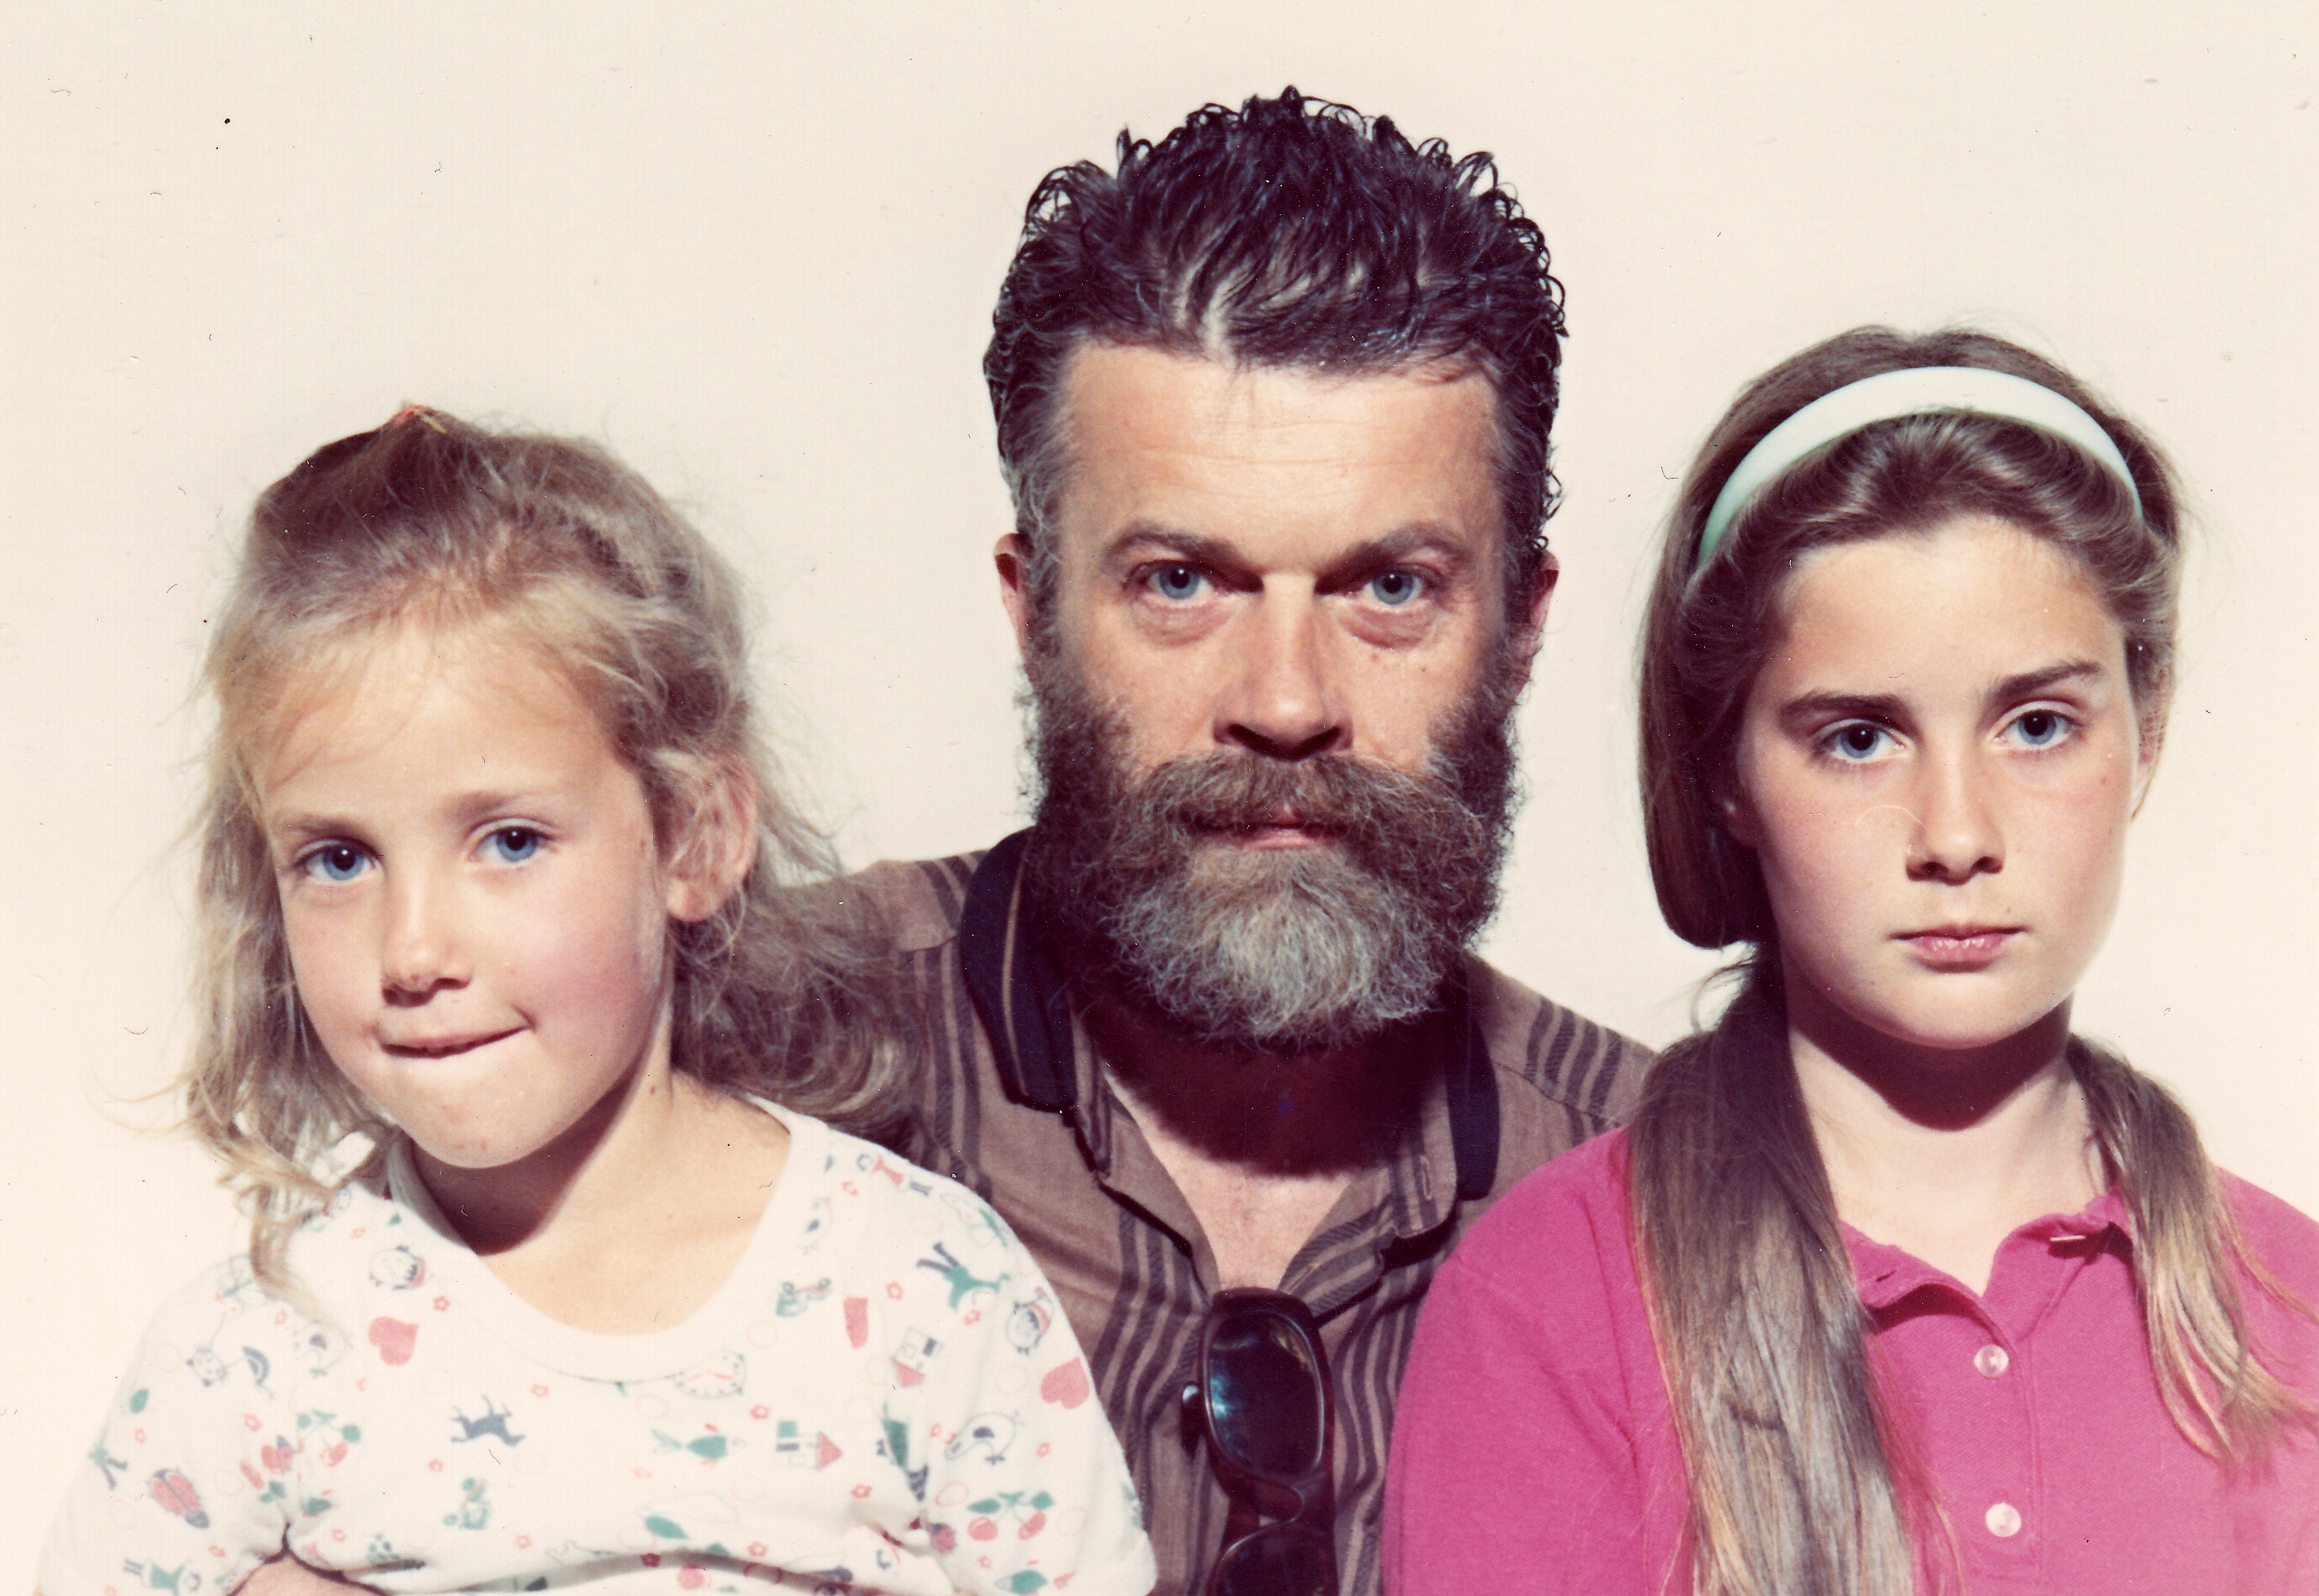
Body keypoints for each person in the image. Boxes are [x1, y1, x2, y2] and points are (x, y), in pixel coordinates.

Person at [40, 409, 1156, 1596]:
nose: (412, 950)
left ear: (695, 837)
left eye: (509, 841)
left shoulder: (921, 1287)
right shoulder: (257, 1351)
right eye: (340, 859)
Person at [851, 90, 1652, 1596]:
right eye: (1180, 582)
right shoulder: (752, 1055)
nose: (1285, 704)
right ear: (1034, 609)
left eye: (1391, 589)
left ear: (1521, 625)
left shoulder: (1670, 1191)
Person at [1382, 327, 2319, 1592]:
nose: (1958, 836)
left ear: (2144, 728)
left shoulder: (2294, 1308)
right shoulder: (1551, 1300)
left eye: (2039, 725)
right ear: (1727, 770)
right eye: (1860, 739)